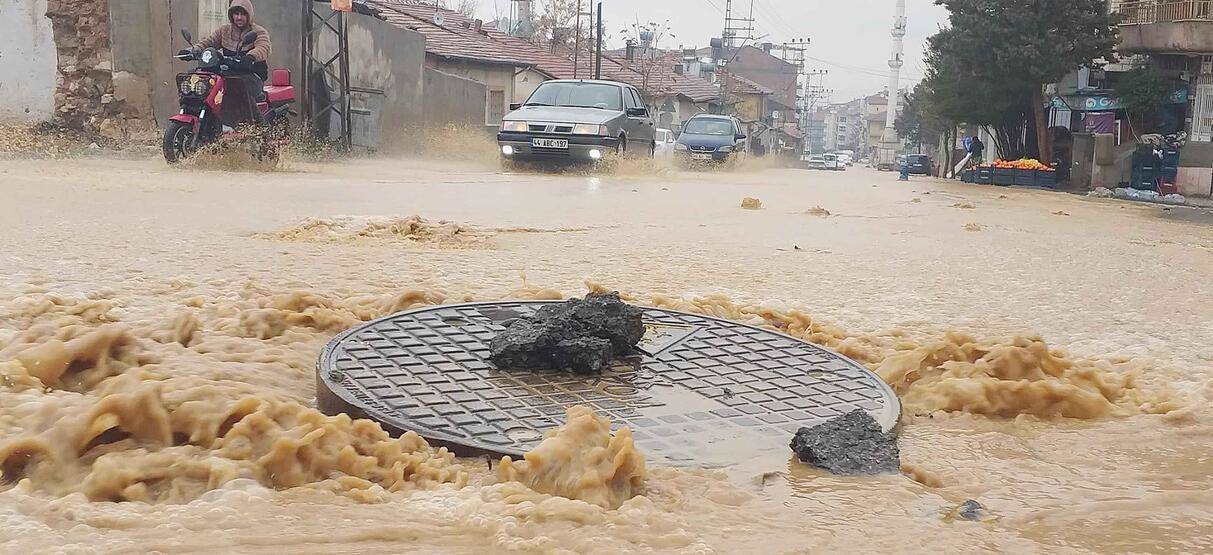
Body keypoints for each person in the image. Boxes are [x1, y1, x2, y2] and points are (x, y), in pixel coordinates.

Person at [191, 0, 272, 91]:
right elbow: (209, 41)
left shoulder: (258, 31)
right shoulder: (224, 30)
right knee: (198, 78)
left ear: (249, 15)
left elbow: (263, 47)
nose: (239, 17)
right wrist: (194, 50)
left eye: (243, 14)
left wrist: (251, 56)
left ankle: (249, 106)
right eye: (236, 14)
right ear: (231, 15)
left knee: (240, 91)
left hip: (252, 75)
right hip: (228, 73)